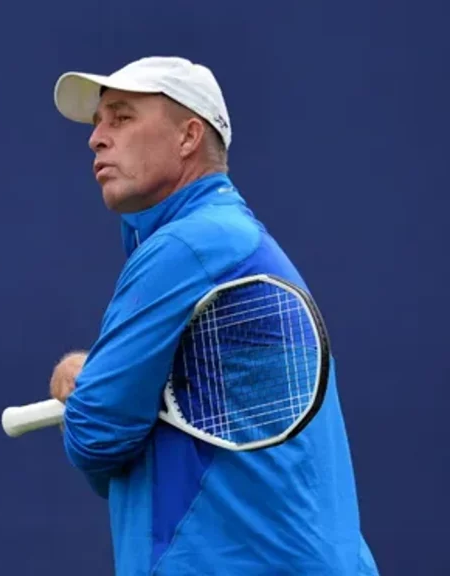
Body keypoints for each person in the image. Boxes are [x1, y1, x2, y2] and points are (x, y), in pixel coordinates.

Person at [47, 56, 379, 575]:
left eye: (122, 116)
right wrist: (98, 389)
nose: (97, 138)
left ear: (188, 137)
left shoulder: (189, 246)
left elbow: (96, 438)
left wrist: (87, 390)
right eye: (97, 123)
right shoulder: (229, 239)